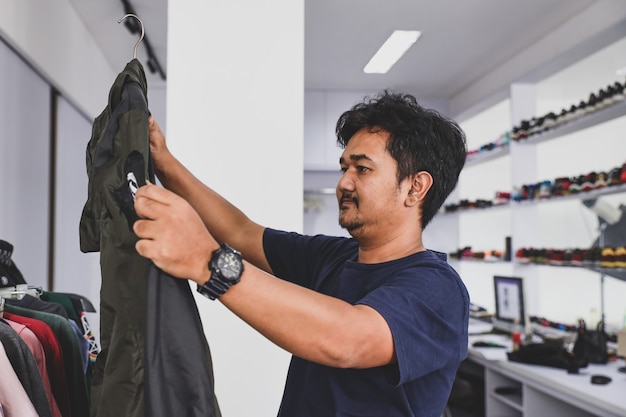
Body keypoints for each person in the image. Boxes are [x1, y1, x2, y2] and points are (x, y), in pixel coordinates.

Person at [133, 90, 469, 417]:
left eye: (362, 169)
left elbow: (348, 340)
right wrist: (165, 161)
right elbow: (240, 231)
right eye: (344, 168)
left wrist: (209, 262)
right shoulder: (333, 256)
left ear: (415, 187)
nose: (344, 183)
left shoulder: (438, 287)